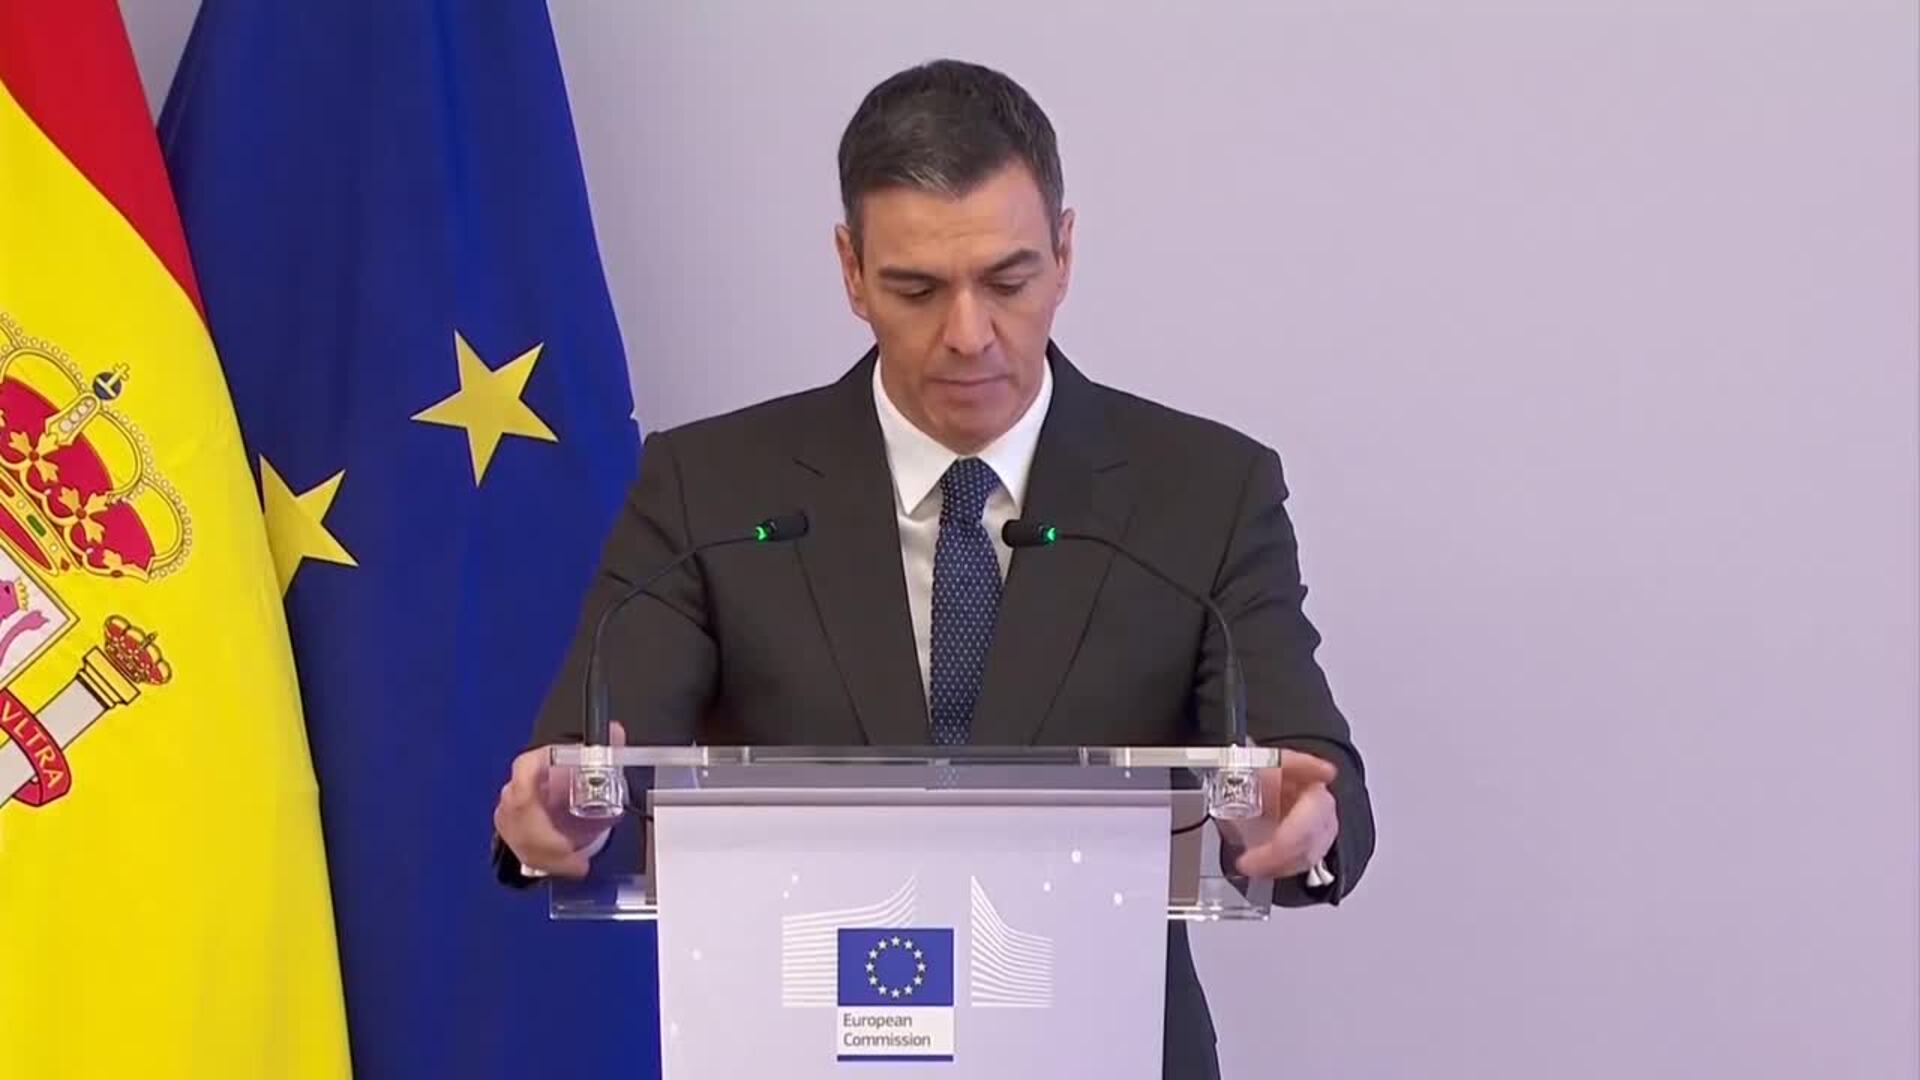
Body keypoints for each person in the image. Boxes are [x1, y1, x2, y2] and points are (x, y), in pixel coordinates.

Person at [493, 58, 1374, 1078]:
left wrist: (1298, 820)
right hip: (804, 1044)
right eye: (916, 288)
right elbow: (591, 758)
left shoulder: (1203, 490)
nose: (968, 336)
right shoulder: (712, 490)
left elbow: (1311, 768)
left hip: (1107, 1048)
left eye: (1009, 281)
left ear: (1065, 254)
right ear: (851, 270)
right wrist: (562, 813)